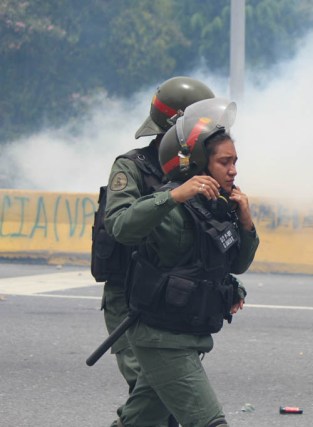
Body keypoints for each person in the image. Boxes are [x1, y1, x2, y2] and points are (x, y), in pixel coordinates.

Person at [106, 97, 259, 427]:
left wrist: (246, 222)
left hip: (186, 329)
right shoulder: (166, 196)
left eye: (235, 161)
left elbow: (232, 262)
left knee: (143, 420)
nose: (234, 170)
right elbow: (122, 227)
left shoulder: (217, 204)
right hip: (158, 330)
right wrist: (173, 196)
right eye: (225, 162)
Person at [94, 76, 215, 427]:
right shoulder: (133, 167)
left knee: (163, 401)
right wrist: (170, 197)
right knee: (157, 398)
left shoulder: (196, 169)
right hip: (131, 297)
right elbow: (120, 226)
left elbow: (206, 237)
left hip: (173, 302)